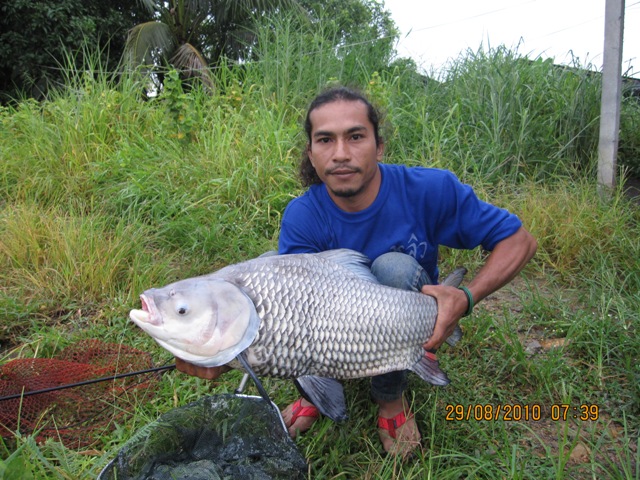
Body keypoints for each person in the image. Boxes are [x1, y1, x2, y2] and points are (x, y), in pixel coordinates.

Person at [177, 86, 537, 457]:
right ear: (311, 154)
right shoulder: (303, 215)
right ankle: (315, 392)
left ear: (379, 146)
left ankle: (390, 399)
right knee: (274, 269)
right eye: (325, 140)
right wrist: (225, 349)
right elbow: (296, 318)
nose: (341, 154)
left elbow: (519, 241)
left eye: (355, 137)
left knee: (393, 268)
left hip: (407, 305)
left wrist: (464, 296)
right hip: (335, 320)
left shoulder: (430, 189)